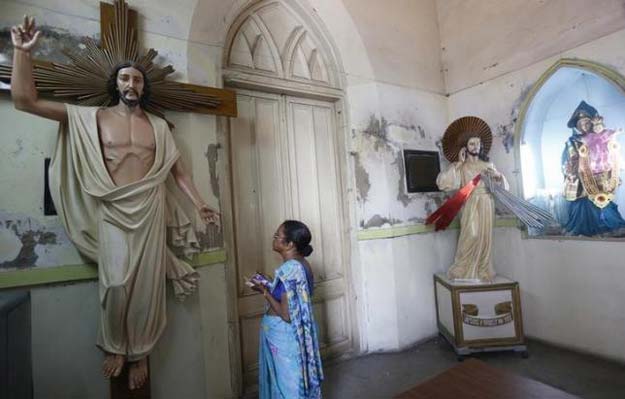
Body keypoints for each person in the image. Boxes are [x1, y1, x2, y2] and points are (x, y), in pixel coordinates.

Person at [10, 17, 219, 390]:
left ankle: (138, 352)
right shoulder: (93, 119)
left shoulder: (157, 126)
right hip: (114, 210)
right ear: (115, 84)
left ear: (144, 86)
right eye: (125, 78)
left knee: (149, 287)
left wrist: (199, 203)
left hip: (151, 209)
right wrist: (23, 53)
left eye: (137, 79)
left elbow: (178, 172)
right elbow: (25, 100)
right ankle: (115, 345)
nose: (131, 84)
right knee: (117, 284)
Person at [250, 220, 323, 399]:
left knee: (286, 382)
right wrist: (270, 284)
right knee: (293, 377)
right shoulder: (303, 264)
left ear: (290, 244)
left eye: (277, 237)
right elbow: (295, 298)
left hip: (283, 334)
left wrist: (264, 291)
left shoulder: (288, 270)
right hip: (293, 335)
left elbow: (287, 315)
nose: (273, 239)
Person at [436, 125, 508, 282]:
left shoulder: (488, 165)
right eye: (472, 144)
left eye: (478, 143)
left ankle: (482, 270)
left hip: (487, 202)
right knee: (472, 234)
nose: (476, 147)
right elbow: (443, 183)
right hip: (469, 202)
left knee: (485, 237)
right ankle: (463, 269)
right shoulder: (462, 167)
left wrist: (498, 176)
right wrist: (458, 164)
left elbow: (501, 189)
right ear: (465, 147)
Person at [561, 101, 625, 236]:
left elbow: (612, 154)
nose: (584, 126)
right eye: (580, 123)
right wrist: (573, 168)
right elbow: (567, 159)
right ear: (577, 126)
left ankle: (608, 228)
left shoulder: (601, 137)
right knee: (583, 204)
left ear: (592, 122)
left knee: (603, 202)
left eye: (587, 122)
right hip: (581, 179)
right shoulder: (572, 141)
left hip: (601, 178)